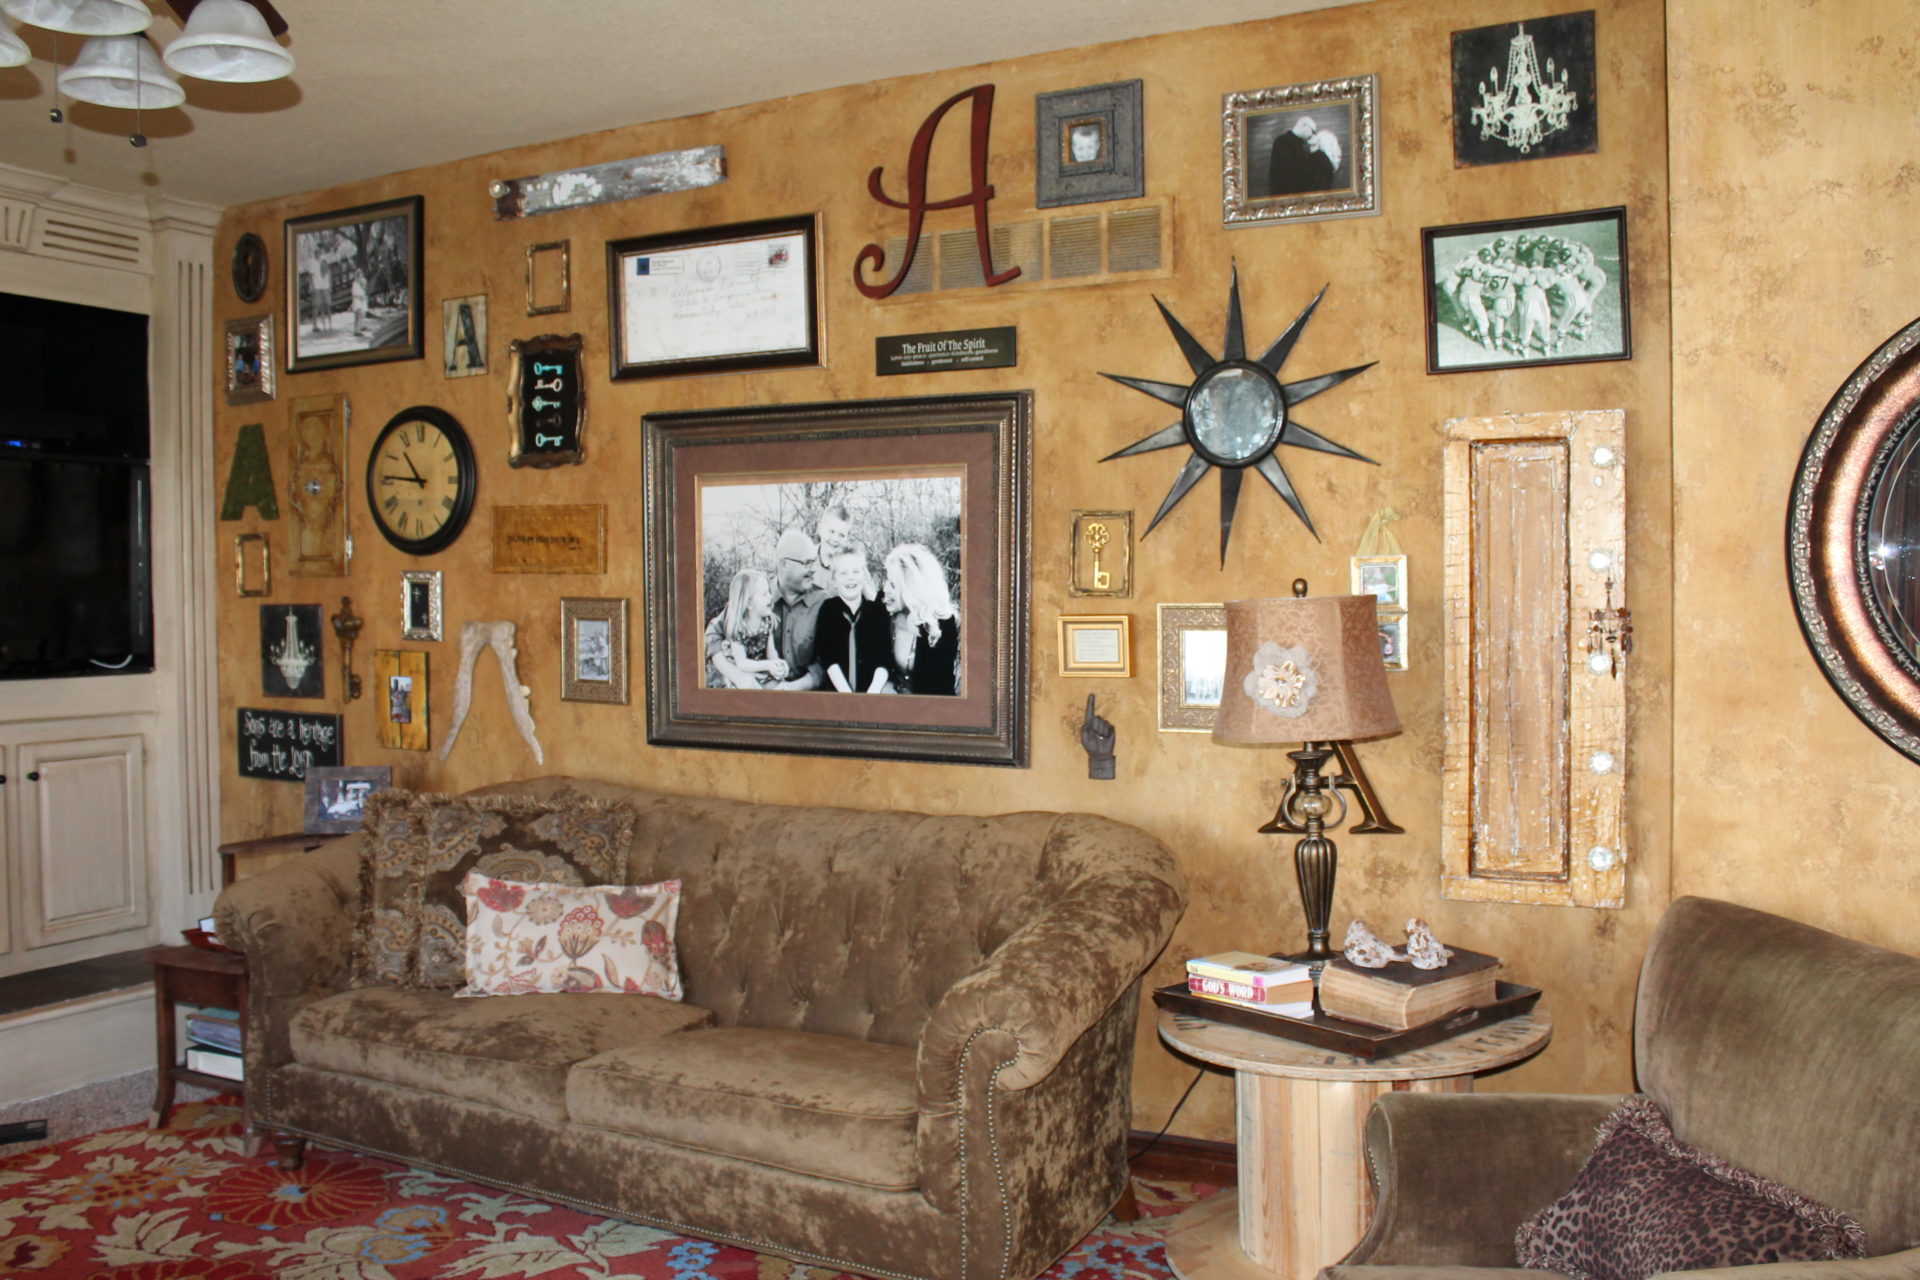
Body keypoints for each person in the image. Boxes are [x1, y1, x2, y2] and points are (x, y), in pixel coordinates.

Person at [882, 543, 960, 696]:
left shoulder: (941, 625)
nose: (885, 589)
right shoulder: (885, 615)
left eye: (892, 585)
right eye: (886, 581)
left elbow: (939, 689)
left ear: (910, 589)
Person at [815, 548, 894, 693]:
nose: (850, 577)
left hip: (873, 691)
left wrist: (872, 693)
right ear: (834, 580)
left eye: (856, 572)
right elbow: (828, 657)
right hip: (838, 691)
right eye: (843, 573)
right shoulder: (828, 609)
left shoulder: (877, 611)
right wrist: (847, 696)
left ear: (864, 576)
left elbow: (884, 658)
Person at [765, 527, 826, 691]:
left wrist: (792, 688)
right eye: (807, 563)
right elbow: (713, 636)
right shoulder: (758, 594)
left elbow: (826, 662)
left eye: (814, 561)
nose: (813, 569)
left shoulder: (824, 602)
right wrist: (740, 676)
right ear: (784, 565)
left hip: (809, 699)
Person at [703, 569, 787, 689]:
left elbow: (771, 652)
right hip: (739, 669)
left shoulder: (767, 621)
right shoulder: (739, 628)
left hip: (759, 667)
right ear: (749, 604)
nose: (770, 597)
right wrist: (768, 665)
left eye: (769, 591)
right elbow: (741, 664)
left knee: (780, 688)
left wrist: (777, 665)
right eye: (764, 594)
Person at [1265, 115, 1340, 197]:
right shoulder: (1291, 145)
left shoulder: (1284, 142)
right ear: (1304, 126)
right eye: (1312, 131)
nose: (1311, 135)